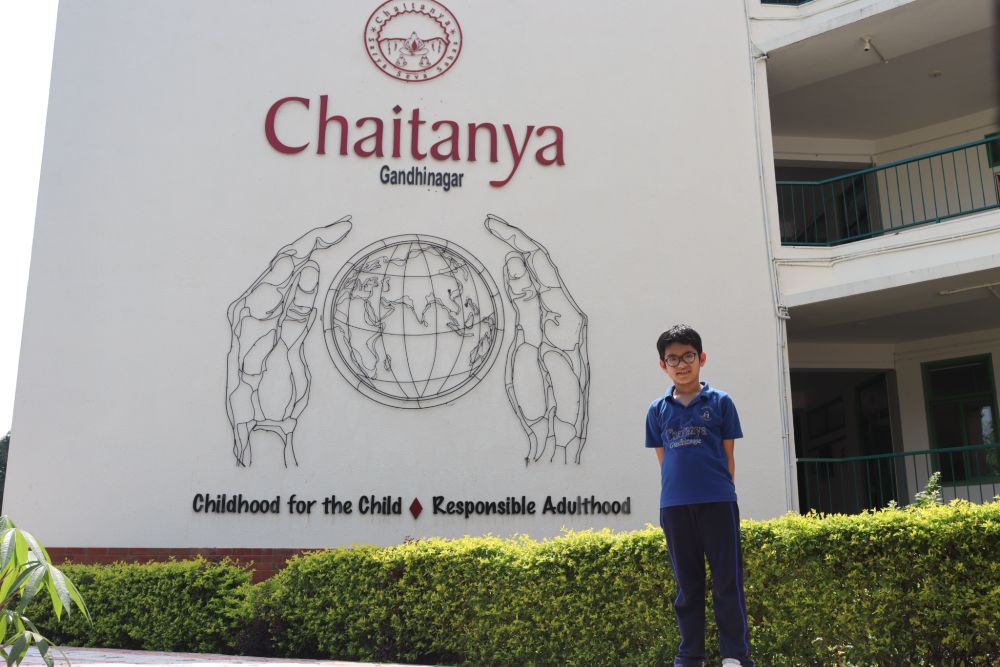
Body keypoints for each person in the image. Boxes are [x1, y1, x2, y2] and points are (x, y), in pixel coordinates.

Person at [645, 324, 755, 667]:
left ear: (701, 358)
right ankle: (690, 656)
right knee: (688, 587)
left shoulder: (722, 403)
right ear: (663, 365)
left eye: (688, 356)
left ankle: (735, 657)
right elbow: (665, 460)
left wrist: (723, 492)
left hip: (718, 502)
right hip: (675, 507)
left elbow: (728, 456)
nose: (681, 364)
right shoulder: (657, 410)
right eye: (672, 358)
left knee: (727, 582)